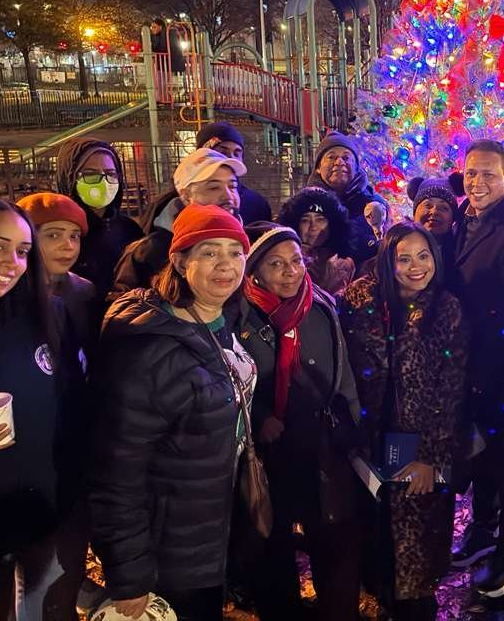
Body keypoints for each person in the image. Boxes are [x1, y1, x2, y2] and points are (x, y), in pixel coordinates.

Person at [90, 204, 255, 621]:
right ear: (180, 262)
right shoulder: (147, 347)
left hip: (210, 529)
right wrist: (129, 575)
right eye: (210, 252)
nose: (226, 265)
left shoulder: (221, 319)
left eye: (235, 252)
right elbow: (118, 470)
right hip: (170, 549)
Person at [0, 197, 86, 620]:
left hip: (52, 506)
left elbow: (75, 403)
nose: (12, 263)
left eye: (23, 251)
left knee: (52, 610)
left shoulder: (47, 314)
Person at [341, 222, 468, 621]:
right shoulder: (359, 302)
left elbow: (451, 390)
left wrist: (431, 456)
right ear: (387, 262)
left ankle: (416, 607)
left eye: (424, 256)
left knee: (417, 549)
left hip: (420, 443)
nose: (417, 267)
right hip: (367, 440)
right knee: (376, 539)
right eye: (405, 258)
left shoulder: (446, 308)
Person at [240, 221, 362, 621]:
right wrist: (259, 416)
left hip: (320, 439)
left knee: (333, 533)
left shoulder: (320, 304)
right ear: (255, 271)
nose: (290, 272)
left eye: (295, 261)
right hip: (269, 448)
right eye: (276, 264)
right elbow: (231, 378)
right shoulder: (241, 313)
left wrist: (352, 420)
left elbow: (343, 368)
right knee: (271, 539)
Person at [448, 140, 504, 597]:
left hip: (502, 364)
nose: (477, 182)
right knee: (481, 453)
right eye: (471, 174)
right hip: (467, 362)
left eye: (488, 174)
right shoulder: (461, 218)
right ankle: (483, 528)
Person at [112, 147, 245, 297]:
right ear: (186, 196)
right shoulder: (149, 252)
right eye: (214, 188)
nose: (228, 196)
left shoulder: (250, 240)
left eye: (232, 186)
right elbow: (123, 304)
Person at [54, 138, 144, 304]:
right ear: (69, 178)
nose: (103, 182)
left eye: (110, 174)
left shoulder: (130, 230)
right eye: (90, 174)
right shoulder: (58, 233)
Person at [16, 192, 98, 356]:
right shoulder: (6, 295)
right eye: (54, 235)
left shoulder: (84, 291)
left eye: (74, 236)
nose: (68, 246)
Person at [307, 131, 388, 265]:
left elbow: (386, 247)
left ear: (356, 167)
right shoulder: (305, 205)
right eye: (331, 157)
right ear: (318, 167)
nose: (339, 162)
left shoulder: (375, 204)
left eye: (346, 157)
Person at [277, 186, 356, 298]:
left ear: (333, 224)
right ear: (295, 225)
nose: (313, 227)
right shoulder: (283, 262)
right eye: (305, 220)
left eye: (320, 219)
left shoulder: (346, 264)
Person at [195, 121, 272, 225]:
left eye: (237, 153)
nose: (231, 158)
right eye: (222, 152)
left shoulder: (257, 204)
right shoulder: (179, 203)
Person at [407, 175, 461, 266]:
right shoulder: (396, 248)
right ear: (415, 212)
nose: (434, 211)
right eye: (428, 205)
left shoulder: (461, 253)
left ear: (453, 218)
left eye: (443, 208)